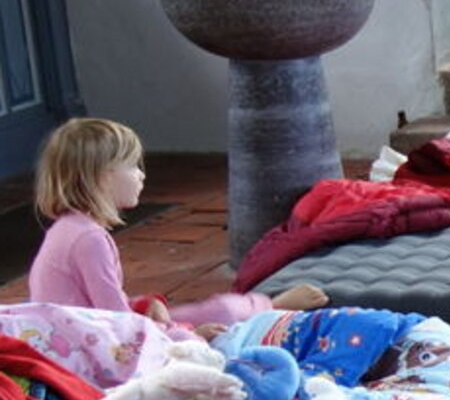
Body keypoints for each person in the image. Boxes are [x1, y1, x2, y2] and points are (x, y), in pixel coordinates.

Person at [29, 117, 327, 335]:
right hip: (92, 352)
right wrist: (188, 337)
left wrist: (144, 305)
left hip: (85, 337)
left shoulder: (70, 229)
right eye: (132, 166)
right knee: (212, 321)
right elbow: (120, 328)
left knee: (209, 312)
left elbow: (100, 308)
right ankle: (271, 311)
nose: (141, 175)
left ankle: (261, 309)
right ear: (103, 177)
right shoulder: (89, 239)